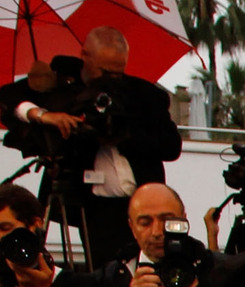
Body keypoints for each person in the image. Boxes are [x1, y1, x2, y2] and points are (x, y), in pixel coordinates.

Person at [0, 27, 182, 268]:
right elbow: (8, 98)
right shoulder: (63, 82)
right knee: (103, 274)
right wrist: (45, 115)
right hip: (91, 205)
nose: (110, 80)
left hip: (140, 203)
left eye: (118, 72)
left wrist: (123, 132)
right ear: (85, 56)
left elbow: (171, 147)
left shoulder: (145, 94)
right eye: (104, 71)